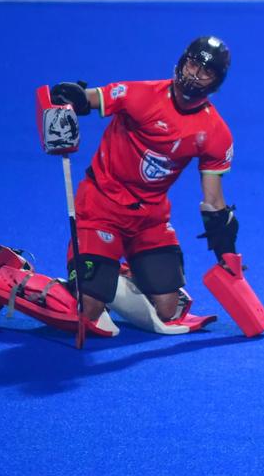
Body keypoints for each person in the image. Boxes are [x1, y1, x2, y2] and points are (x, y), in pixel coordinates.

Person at [48, 35, 239, 331]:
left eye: (206, 72)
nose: (195, 75)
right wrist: (69, 97)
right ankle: (19, 279)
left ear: (217, 81)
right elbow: (89, 98)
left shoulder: (215, 133)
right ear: (182, 63)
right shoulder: (142, 95)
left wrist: (226, 254)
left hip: (149, 219)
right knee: (88, 310)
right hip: (101, 207)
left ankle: (116, 272)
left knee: (168, 310)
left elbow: (213, 201)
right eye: (192, 65)